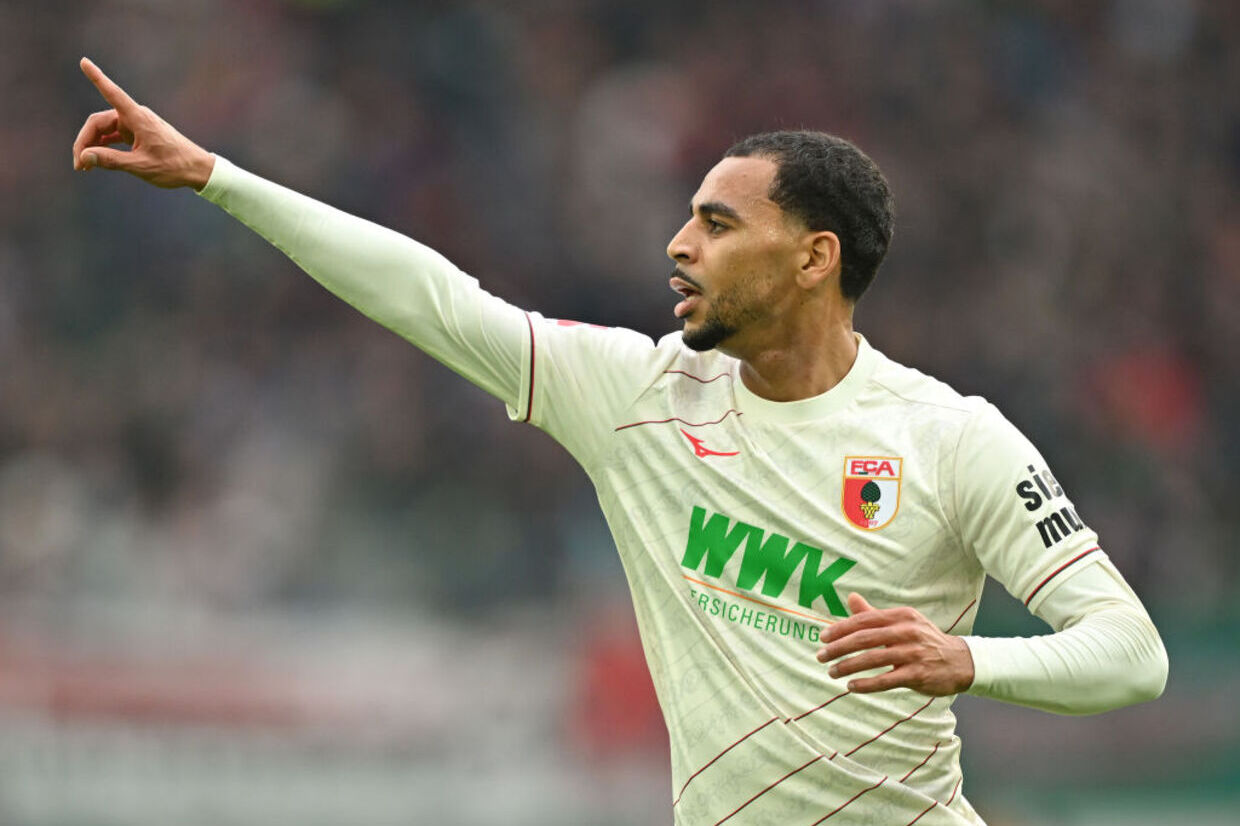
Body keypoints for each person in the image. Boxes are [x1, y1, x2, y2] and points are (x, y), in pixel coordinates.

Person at [73, 57, 1167, 825]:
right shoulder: (637, 396)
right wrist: (216, 178)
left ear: (814, 257)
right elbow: (432, 297)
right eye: (688, 217)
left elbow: (1131, 654)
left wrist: (967, 660)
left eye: (719, 224)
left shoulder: (951, 439)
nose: (678, 244)